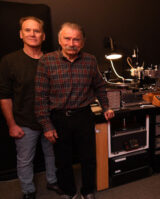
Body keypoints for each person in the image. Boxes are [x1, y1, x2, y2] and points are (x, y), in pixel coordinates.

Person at [34, 22, 115, 199]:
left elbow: (99, 87)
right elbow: (40, 97)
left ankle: (87, 191)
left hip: (84, 116)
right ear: (59, 40)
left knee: (88, 158)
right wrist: (46, 125)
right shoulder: (46, 61)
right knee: (63, 160)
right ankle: (69, 192)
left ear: (83, 43)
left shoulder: (90, 60)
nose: (72, 43)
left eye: (76, 39)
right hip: (59, 118)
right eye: (67, 38)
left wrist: (106, 106)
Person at [0, 16, 62, 199]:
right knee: (25, 160)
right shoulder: (9, 61)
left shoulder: (53, 60)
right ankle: (28, 191)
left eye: (36, 31)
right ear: (21, 34)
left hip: (51, 121)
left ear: (43, 36)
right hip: (24, 122)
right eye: (28, 30)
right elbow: (4, 96)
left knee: (52, 155)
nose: (32, 34)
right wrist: (12, 125)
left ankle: (52, 181)